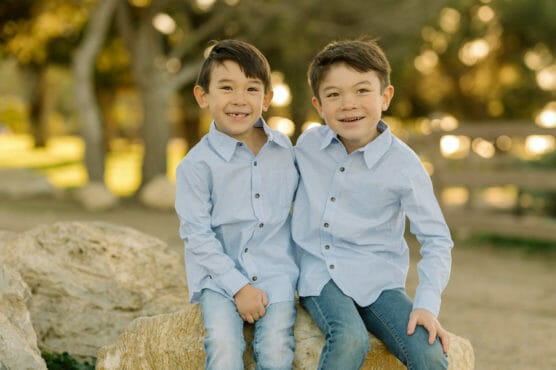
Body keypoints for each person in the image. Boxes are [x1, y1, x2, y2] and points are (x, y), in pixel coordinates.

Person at [291, 38, 454, 370]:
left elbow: (437, 240)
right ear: (318, 105)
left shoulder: (405, 165)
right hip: (321, 273)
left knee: (429, 353)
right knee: (351, 340)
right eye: (333, 94)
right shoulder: (307, 145)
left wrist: (426, 304)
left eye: (362, 90)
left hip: (378, 279)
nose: (348, 104)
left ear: (386, 96)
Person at [175, 39, 299, 370]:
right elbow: (197, 235)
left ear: (267, 98)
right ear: (203, 96)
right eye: (226, 87)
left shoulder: (285, 150)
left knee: (276, 348)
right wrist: (239, 287)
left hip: (277, 274)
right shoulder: (196, 165)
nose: (239, 100)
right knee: (224, 345)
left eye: (251, 89)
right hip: (219, 279)